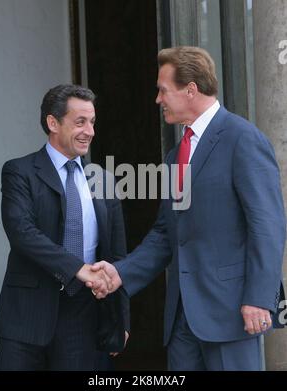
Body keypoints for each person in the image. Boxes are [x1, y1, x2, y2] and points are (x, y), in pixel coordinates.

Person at [90, 46, 286, 371]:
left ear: (190, 89)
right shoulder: (175, 156)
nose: (158, 99)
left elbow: (267, 225)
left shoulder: (242, 139)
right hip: (182, 320)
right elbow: (167, 234)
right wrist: (119, 273)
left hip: (233, 313)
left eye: (163, 90)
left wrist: (258, 298)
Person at [0, 84, 129, 371]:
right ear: (52, 123)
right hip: (25, 318)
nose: (89, 131)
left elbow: (117, 255)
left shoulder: (103, 180)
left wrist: (121, 320)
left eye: (92, 122)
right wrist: (76, 268)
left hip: (83, 317)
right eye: (80, 122)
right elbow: (22, 233)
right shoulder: (20, 172)